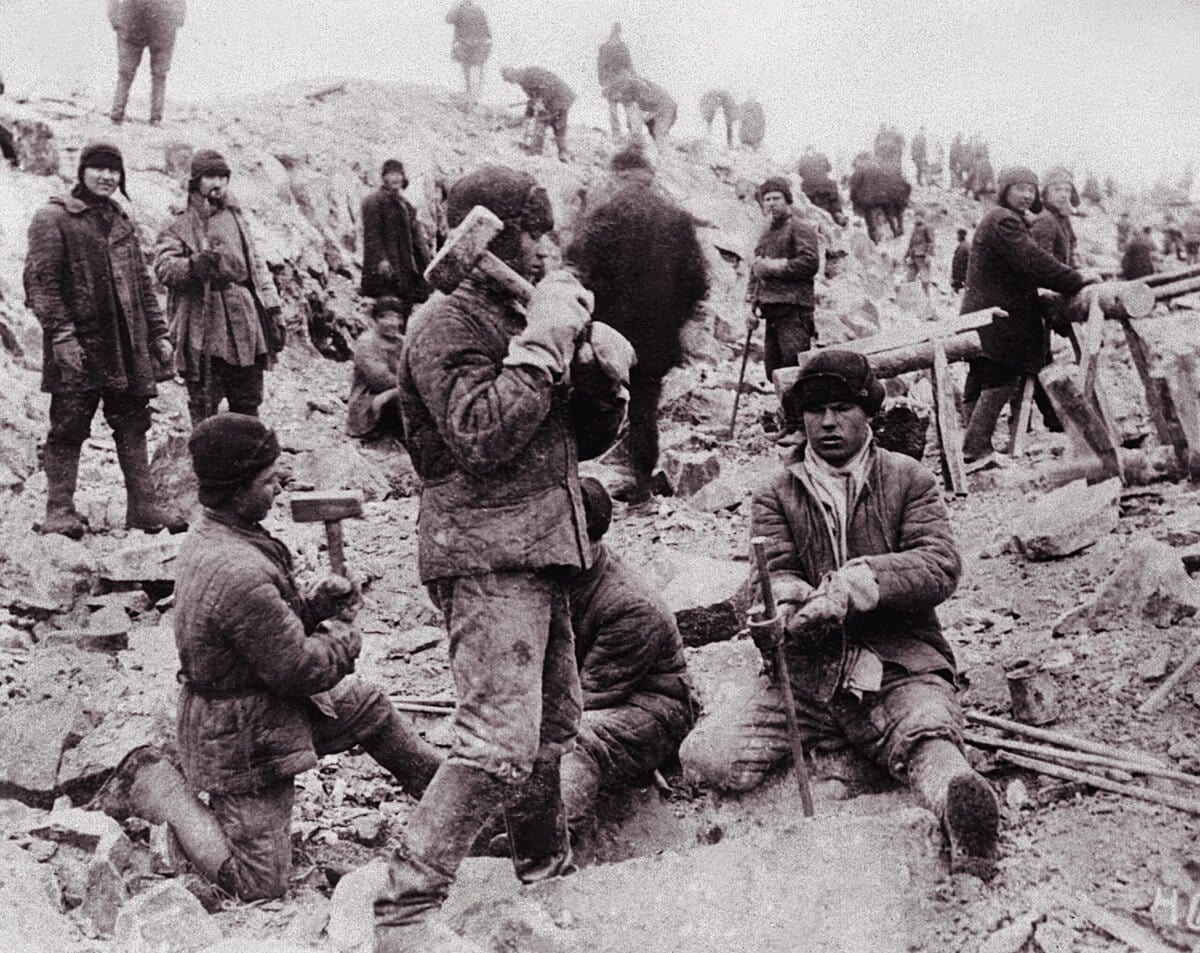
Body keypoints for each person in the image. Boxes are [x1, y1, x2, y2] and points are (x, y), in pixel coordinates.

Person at [373, 165, 634, 952]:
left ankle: (540, 875)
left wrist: (599, 380)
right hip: (485, 553)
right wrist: (545, 343)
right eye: (535, 232)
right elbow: (482, 435)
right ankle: (403, 909)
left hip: (542, 544)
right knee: (495, 741)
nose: (547, 247)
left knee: (553, 727)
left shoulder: (522, 314)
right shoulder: (445, 325)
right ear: (493, 233)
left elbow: (573, 442)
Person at [91, 413, 441, 902]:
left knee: (367, 705)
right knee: (261, 885)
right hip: (242, 735)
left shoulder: (227, 532)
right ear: (236, 489)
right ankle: (157, 787)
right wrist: (342, 634)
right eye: (267, 480)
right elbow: (297, 669)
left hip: (263, 704)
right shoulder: (235, 568)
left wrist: (314, 606)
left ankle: (447, 798)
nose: (279, 488)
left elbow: (263, 633)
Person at [679, 350, 1001, 877]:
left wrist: (859, 584)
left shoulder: (908, 479)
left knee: (929, 737)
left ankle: (962, 816)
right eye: (814, 411)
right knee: (709, 758)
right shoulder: (774, 493)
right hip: (806, 672)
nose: (827, 423)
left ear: (868, 411)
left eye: (842, 408)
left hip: (897, 664)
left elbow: (939, 564)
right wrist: (785, 606)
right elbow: (775, 569)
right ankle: (859, 743)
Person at [24, 140, 180, 539]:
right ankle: (60, 510)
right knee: (68, 425)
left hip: (125, 345)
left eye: (114, 171)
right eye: (99, 169)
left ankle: (142, 507)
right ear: (82, 172)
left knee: (133, 421)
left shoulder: (121, 220)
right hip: (79, 345)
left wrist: (159, 333)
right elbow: (41, 283)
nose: (107, 177)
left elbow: (143, 286)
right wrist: (62, 337)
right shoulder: (53, 217)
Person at [567, 145, 709, 504]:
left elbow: (577, 266)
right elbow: (696, 281)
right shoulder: (675, 218)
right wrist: (676, 318)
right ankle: (641, 480)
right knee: (645, 406)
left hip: (608, 332)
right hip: (656, 334)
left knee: (592, 400)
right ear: (649, 176)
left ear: (618, 174)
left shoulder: (604, 214)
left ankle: (575, 485)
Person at [560, 478, 695, 839]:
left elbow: (591, 696)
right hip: (591, 697)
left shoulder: (630, 605)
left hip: (654, 711)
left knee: (572, 738)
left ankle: (559, 839)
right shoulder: (566, 579)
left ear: (590, 540)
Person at [959, 167, 1095, 464]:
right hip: (999, 312)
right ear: (1004, 191)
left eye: (1030, 190)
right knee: (1002, 376)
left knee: (982, 375)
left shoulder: (1000, 219)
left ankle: (971, 446)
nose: (1026, 195)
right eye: (1018, 188)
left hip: (985, 309)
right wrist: (1076, 280)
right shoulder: (1004, 221)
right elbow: (1034, 262)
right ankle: (975, 448)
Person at [154, 149, 285, 426]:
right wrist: (192, 267)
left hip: (244, 315)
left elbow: (255, 262)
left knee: (248, 396)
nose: (217, 183)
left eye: (222, 177)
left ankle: (249, 458)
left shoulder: (235, 215)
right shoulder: (179, 220)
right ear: (196, 181)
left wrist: (273, 308)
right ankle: (208, 459)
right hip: (203, 318)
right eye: (210, 177)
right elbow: (164, 268)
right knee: (204, 400)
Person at [745, 177, 820, 386]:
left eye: (776, 198)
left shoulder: (800, 227)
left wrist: (775, 266)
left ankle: (798, 417)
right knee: (774, 371)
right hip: (771, 311)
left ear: (787, 200)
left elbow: (810, 263)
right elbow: (756, 270)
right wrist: (750, 306)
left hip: (794, 309)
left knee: (795, 368)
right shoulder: (765, 233)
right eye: (766, 199)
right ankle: (787, 413)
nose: (770, 203)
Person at [360, 159, 431, 311]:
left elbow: (416, 240)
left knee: (405, 304)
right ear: (384, 178)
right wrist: (381, 260)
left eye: (399, 174)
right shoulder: (373, 202)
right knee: (387, 306)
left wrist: (425, 263)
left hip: (404, 265)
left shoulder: (405, 204)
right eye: (391, 174)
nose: (396, 178)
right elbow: (372, 236)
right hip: (385, 266)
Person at [107, 0, 186, 125]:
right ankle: (152, 118)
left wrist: (116, 20)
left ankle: (118, 115)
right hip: (146, 26)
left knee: (130, 74)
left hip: (149, 26)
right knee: (153, 75)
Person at [347, 297, 408, 444]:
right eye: (387, 317)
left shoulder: (402, 342)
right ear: (375, 319)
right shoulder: (366, 343)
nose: (394, 323)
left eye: (398, 318)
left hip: (397, 393)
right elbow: (380, 379)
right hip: (367, 403)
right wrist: (402, 390)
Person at [500, 66, 576, 162]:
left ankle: (536, 152)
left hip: (557, 99)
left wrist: (541, 102)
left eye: (509, 79)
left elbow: (546, 88)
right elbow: (534, 98)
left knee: (542, 122)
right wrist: (528, 114)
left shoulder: (530, 76)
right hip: (564, 98)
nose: (510, 82)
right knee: (559, 126)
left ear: (513, 74)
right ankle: (563, 152)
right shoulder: (525, 78)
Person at [607, 75, 676, 143]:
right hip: (655, 107)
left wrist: (648, 117)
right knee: (653, 135)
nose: (618, 102)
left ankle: (668, 150)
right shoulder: (627, 95)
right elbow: (633, 115)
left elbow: (662, 105)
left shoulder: (639, 90)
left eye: (616, 98)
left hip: (666, 107)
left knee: (659, 134)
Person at [445, 0, 491, 98]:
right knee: (477, 68)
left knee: (467, 66)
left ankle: (469, 92)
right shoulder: (479, 9)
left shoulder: (459, 9)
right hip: (480, 42)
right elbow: (486, 27)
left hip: (466, 42)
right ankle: (475, 94)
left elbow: (448, 19)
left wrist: (454, 6)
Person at [597, 23, 634, 139]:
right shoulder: (622, 46)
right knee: (627, 106)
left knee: (613, 107)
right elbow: (630, 65)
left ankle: (617, 134)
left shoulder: (604, 47)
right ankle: (632, 133)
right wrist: (634, 78)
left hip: (611, 79)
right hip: (623, 78)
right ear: (619, 32)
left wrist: (602, 81)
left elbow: (600, 66)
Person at [904, 213, 935, 294]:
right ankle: (913, 298)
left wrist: (927, 255)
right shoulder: (915, 229)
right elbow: (911, 244)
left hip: (922, 257)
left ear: (922, 217)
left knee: (925, 279)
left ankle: (926, 298)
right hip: (913, 257)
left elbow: (931, 242)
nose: (916, 218)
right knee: (910, 278)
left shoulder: (927, 227)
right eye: (915, 216)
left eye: (919, 216)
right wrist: (906, 256)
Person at [950, 228, 970, 293]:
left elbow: (958, 263)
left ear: (961, 236)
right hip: (965, 276)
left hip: (960, 277)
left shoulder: (962, 247)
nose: (956, 237)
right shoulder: (966, 245)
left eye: (957, 235)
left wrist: (955, 277)